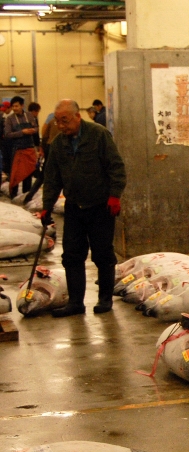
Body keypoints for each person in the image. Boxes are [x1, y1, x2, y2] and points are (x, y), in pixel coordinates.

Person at [40, 99, 126, 317]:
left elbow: (116, 166)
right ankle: (76, 302)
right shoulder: (59, 144)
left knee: (103, 254)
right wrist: (46, 207)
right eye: (58, 121)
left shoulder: (98, 135)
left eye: (65, 121)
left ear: (77, 116)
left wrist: (115, 195)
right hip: (74, 207)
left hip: (100, 206)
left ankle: (105, 299)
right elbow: (51, 178)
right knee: (72, 254)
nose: (61, 126)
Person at [4, 96, 39, 199]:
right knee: (15, 174)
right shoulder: (9, 119)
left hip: (29, 148)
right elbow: (7, 134)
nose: (14, 108)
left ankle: (26, 196)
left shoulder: (29, 116)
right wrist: (22, 132)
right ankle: (13, 195)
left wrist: (33, 130)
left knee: (28, 174)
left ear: (22, 106)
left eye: (17, 106)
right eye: (13, 106)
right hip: (17, 149)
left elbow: (36, 127)